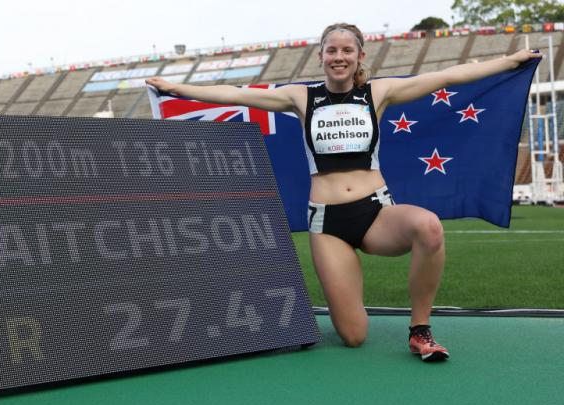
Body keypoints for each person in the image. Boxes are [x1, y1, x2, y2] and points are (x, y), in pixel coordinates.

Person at [146, 23, 541, 362]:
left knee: (429, 227)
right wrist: (173, 87)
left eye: (346, 50)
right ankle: (356, 307)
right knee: (353, 337)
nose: (339, 56)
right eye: (331, 50)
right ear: (321, 56)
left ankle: (420, 329)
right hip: (328, 222)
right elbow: (233, 94)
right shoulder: (300, 97)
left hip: (376, 213)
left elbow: (448, 78)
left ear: (359, 55)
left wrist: (510, 62)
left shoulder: (379, 93)